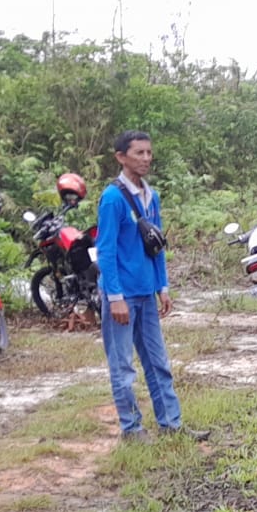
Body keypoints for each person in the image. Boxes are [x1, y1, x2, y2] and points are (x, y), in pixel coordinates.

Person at [94, 131, 197, 441]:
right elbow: (106, 251)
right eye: (138, 153)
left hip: (146, 293)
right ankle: (131, 428)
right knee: (123, 366)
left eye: (149, 152)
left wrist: (162, 286)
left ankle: (171, 424)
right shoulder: (112, 198)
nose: (146, 158)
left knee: (158, 361)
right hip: (122, 295)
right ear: (121, 157)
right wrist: (115, 298)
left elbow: (157, 244)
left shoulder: (152, 197)